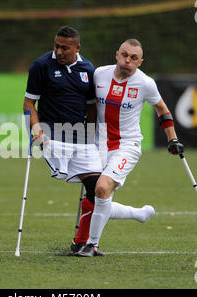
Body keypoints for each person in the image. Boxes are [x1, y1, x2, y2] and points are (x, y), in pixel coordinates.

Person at [23, 27, 155, 254]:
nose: (58, 51)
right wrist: (36, 128)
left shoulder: (88, 69)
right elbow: (28, 104)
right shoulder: (41, 66)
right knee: (97, 192)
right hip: (52, 137)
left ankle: (86, 241)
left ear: (77, 48)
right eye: (56, 46)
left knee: (99, 191)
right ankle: (87, 241)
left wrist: (93, 139)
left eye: (64, 47)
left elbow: (91, 108)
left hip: (82, 140)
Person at [76, 39, 184, 257]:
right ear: (117, 54)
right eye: (124, 55)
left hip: (128, 145)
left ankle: (92, 245)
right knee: (97, 196)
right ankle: (138, 213)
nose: (127, 60)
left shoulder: (145, 83)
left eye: (133, 58)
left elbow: (162, 109)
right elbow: (90, 106)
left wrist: (172, 139)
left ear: (140, 62)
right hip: (99, 144)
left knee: (102, 188)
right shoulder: (99, 74)